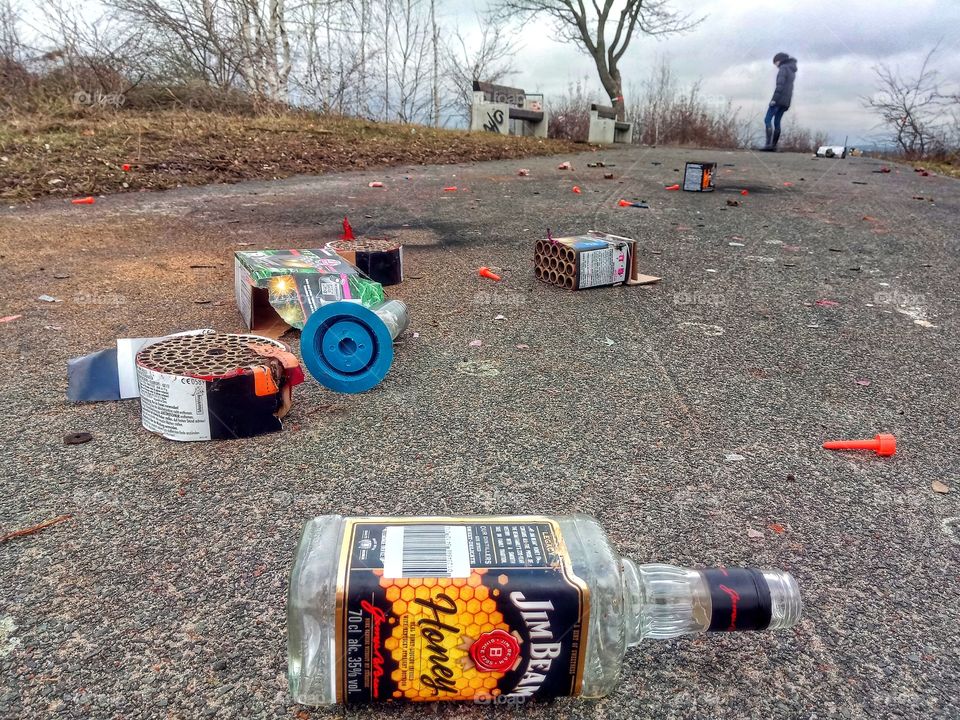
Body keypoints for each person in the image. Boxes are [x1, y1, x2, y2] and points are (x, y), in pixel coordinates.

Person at [760, 52, 797, 151]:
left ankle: (768, 145)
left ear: (779, 60)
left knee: (767, 119)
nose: (775, 65)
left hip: (778, 100)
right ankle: (774, 146)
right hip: (786, 102)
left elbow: (780, 86)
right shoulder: (792, 70)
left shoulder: (783, 68)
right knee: (777, 122)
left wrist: (774, 100)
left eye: (775, 63)